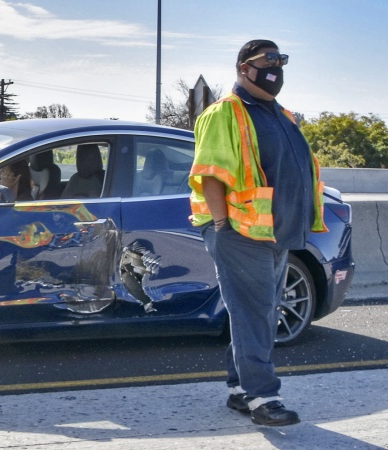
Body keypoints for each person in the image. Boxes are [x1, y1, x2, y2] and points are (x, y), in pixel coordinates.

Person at [188, 39, 327, 427]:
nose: (276, 68)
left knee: (260, 313)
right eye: (267, 60)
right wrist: (221, 225)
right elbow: (209, 173)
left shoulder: (280, 114)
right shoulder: (225, 113)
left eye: (281, 60)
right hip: (239, 231)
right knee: (254, 314)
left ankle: (238, 388)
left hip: (275, 232)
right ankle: (263, 397)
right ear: (242, 68)